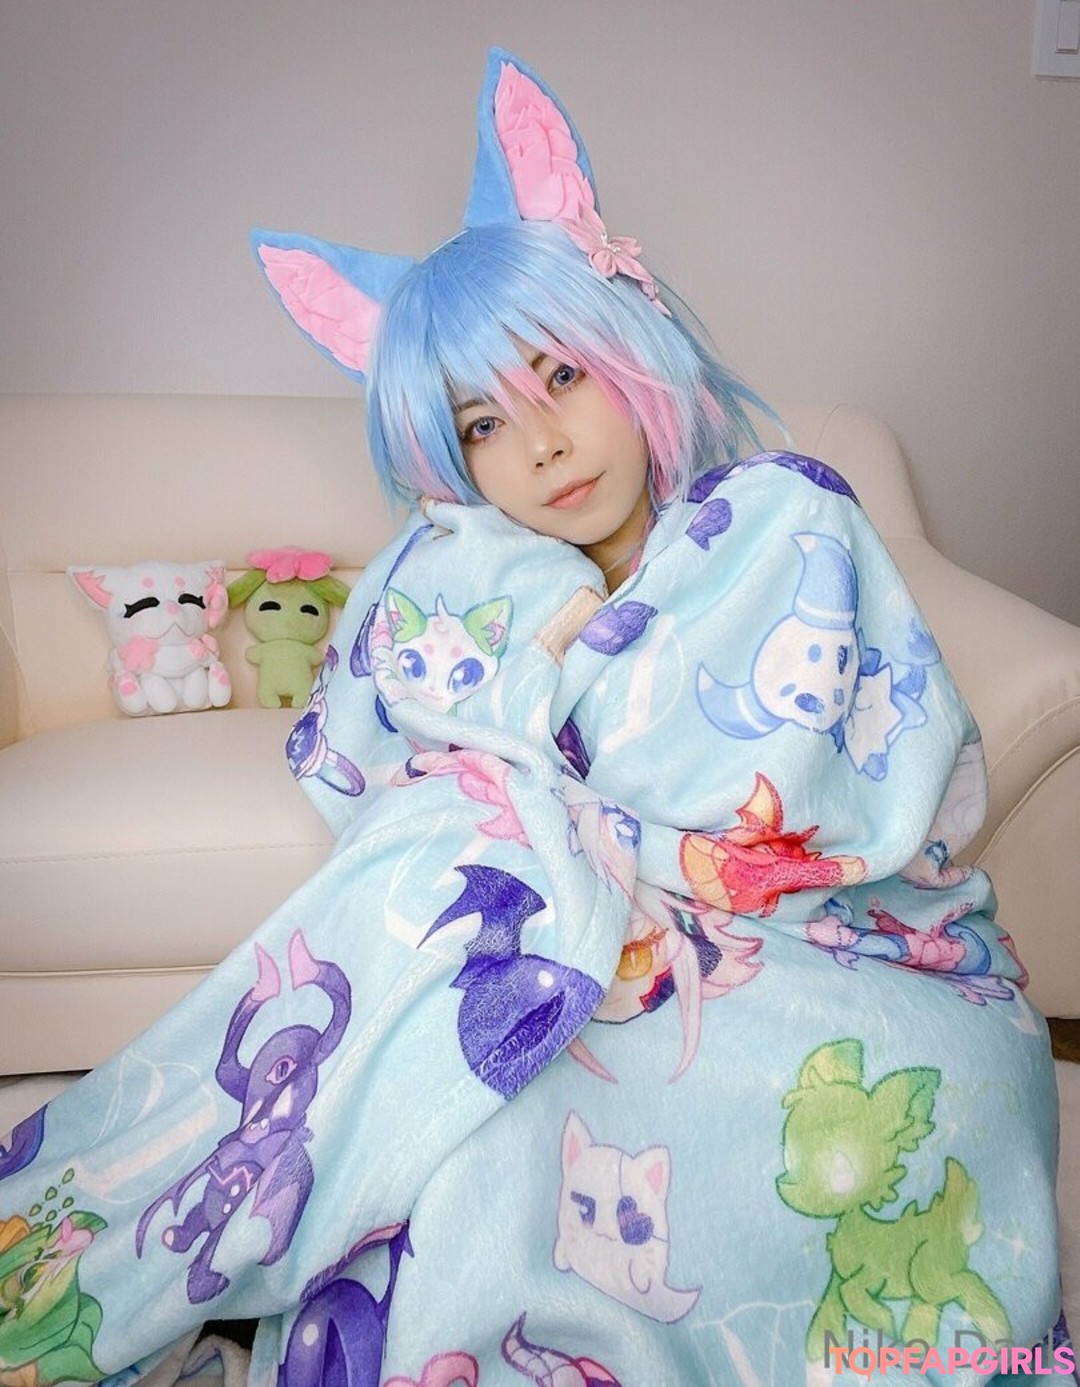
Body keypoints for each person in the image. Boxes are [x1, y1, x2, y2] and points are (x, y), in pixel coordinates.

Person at [0, 48, 1064, 1387]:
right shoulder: (473, 574)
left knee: (552, 1083)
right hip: (602, 947)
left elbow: (771, 778)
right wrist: (529, 651)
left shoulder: (778, 516)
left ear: (631, 349)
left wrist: (543, 710)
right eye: (483, 426)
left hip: (822, 954)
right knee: (484, 1084)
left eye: (561, 377)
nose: (543, 446)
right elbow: (366, 750)